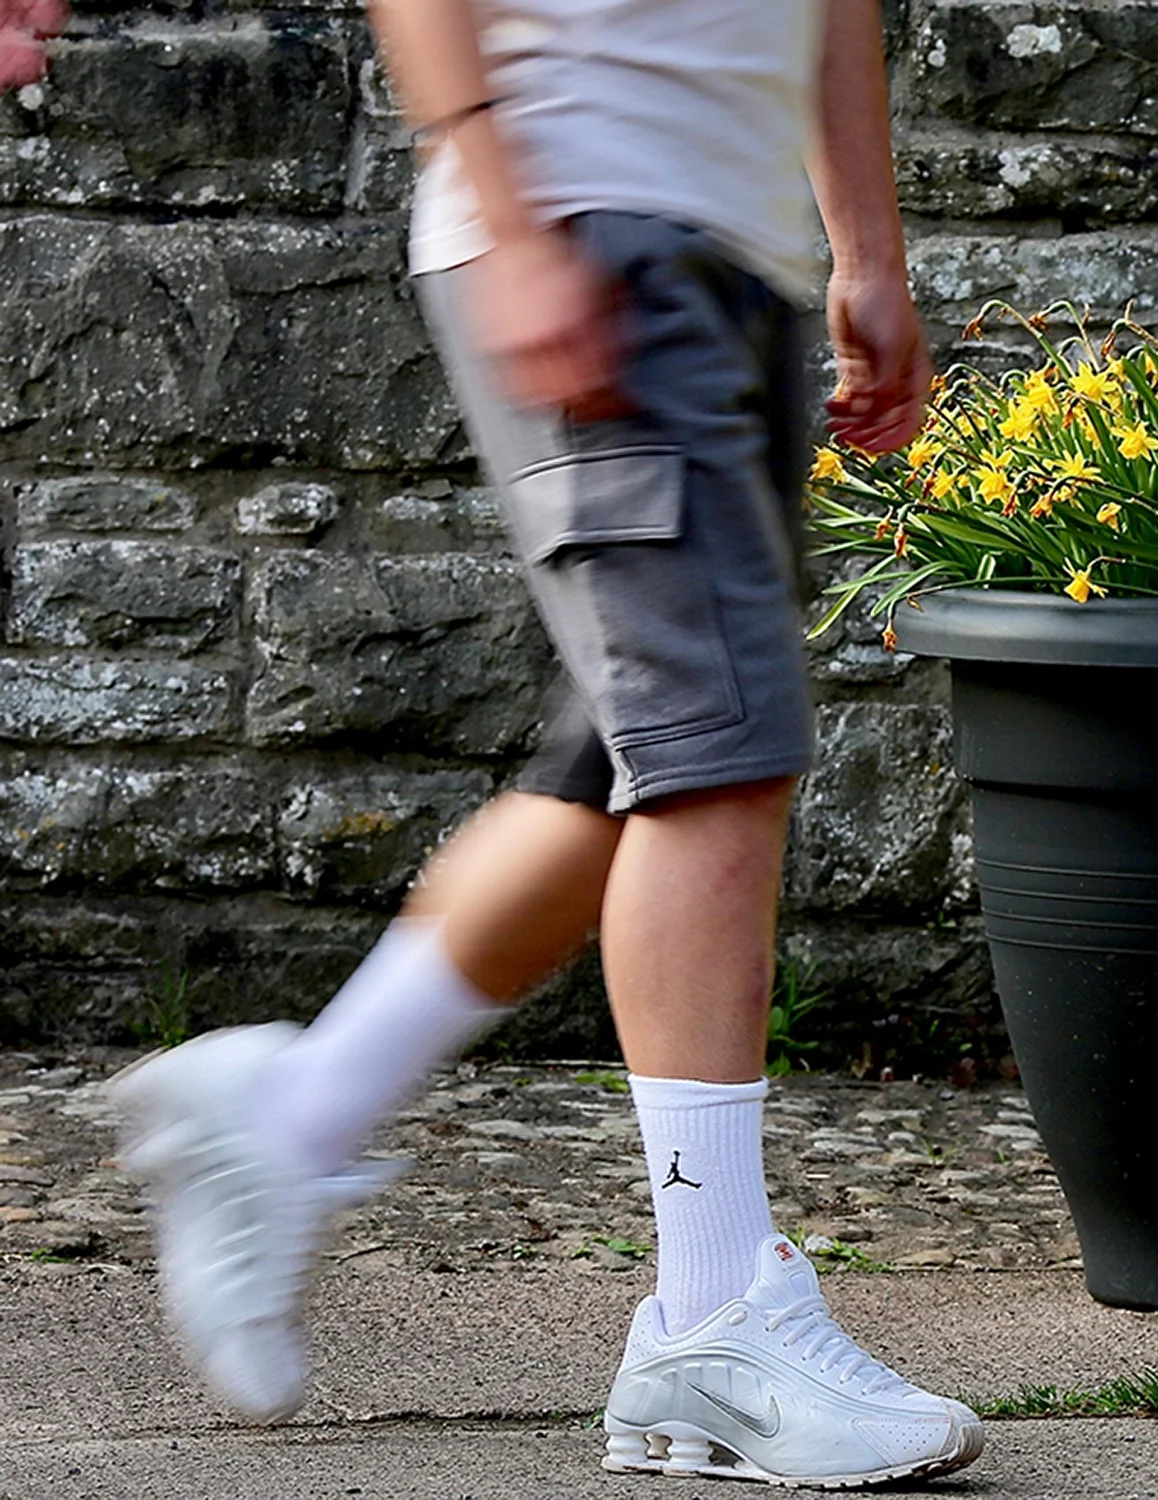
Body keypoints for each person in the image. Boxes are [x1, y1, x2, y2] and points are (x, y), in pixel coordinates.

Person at [96, 0, 981, 1485]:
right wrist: (513, 221)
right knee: (714, 759)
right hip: (593, 222)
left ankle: (294, 1113)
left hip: (729, 256)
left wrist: (866, 253)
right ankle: (712, 1317)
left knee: (621, 776)